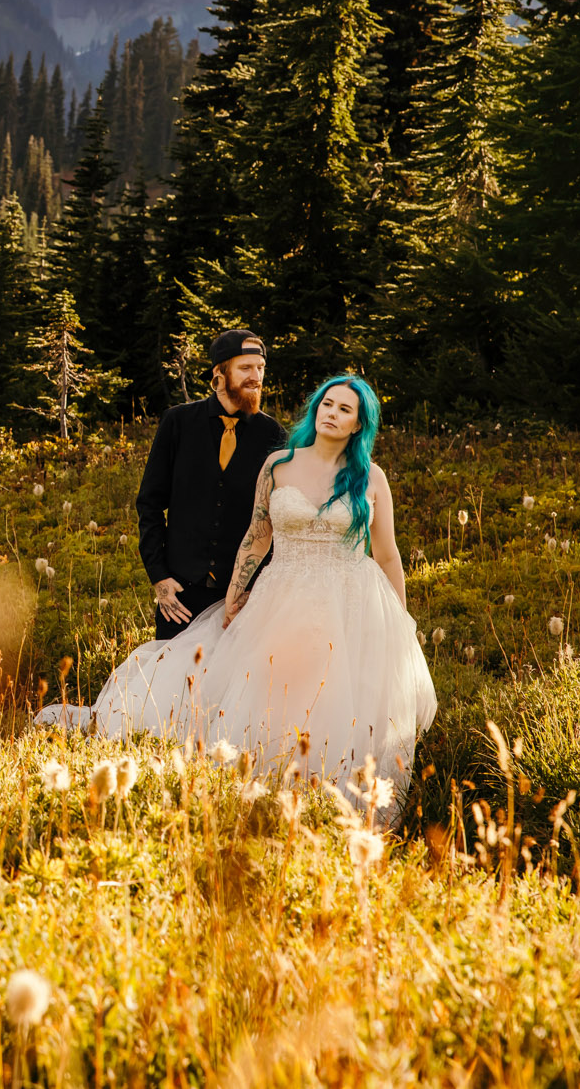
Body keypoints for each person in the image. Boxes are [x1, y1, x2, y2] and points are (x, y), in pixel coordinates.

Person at [35, 374, 438, 830]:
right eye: (327, 404)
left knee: (344, 698)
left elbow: (386, 554)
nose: (332, 413)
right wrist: (235, 595)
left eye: (346, 410)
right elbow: (256, 536)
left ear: (358, 424)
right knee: (272, 690)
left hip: (352, 601)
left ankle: (334, 801)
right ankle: (265, 790)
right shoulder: (279, 465)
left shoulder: (371, 476)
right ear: (315, 409)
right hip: (284, 594)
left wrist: (401, 625)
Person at [134, 329, 286, 642]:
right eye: (245, 368)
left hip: (243, 596)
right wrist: (159, 576)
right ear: (219, 373)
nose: (255, 377)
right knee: (175, 687)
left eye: (260, 368)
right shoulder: (177, 422)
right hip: (180, 596)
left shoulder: (273, 434)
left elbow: (276, 519)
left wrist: (259, 590)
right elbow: (149, 502)